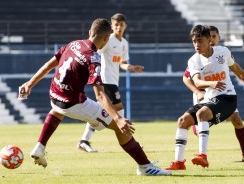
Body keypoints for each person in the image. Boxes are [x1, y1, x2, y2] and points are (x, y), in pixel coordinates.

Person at [18, 18, 171, 176]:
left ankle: (40, 146)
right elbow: (99, 95)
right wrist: (118, 119)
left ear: (90, 32)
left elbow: (50, 64)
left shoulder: (73, 44)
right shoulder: (93, 58)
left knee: (57, 110)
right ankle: (145, 166)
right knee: (120, 128)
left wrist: (30, 83)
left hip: (54, 95)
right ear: (106, 39)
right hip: (73, 104)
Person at [165, 25, 244, 170]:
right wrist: (211, 83)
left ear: (209, 40)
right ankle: (179, 162)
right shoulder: (194, 60)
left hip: (228, 98)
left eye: (200, 41)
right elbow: (197, 82)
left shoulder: (223, 52)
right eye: (194, 41)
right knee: (182, 121)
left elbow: (234, 67)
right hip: (210, 100)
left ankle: (203, 156)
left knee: (204, 114)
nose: (196, 44)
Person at [77, 13, 144, 153]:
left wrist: (132, 68)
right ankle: (129, 139)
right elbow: (96, 51)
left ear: (125, 26)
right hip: (105, 80)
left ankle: (84, 141)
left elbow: (122, 64)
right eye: (116, 25)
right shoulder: (108, 40)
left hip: (114, 81)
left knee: (102, 113)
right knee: (119, 108)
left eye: (121, 24)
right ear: (112, 27)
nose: (119, 27)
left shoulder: (124, 43)